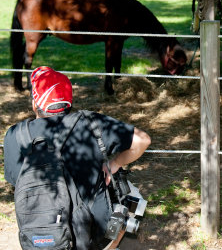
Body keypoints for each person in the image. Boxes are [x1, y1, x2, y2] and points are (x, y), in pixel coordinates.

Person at [4, 66, 151, 249]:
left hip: (37, 235)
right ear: (69, 102)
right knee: (132, 195)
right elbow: (142, 140)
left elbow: (14, 180)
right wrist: (114, 164)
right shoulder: (90, 123)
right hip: (91, 236)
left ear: (35, 104)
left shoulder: (14, 135)